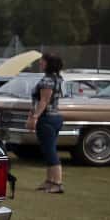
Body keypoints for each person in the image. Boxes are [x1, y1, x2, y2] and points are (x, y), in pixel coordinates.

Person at [27, 52, 67, 193]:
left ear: (49, 63)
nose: (40, 63)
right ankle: (49, 181)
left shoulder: (47, 81)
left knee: (50, 151)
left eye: (42, 61)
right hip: (55, 117)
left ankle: (57, 183)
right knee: (48, 149)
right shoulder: (58, 79)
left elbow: (44, 101)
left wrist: (34, 117)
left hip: (47, 119)